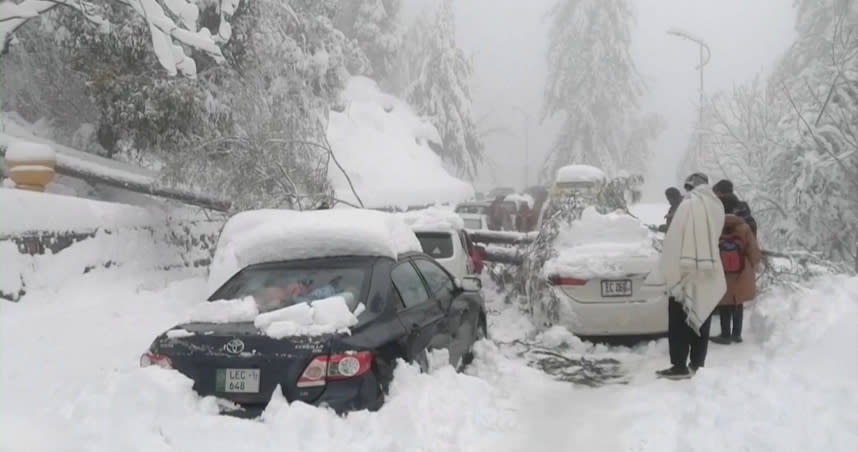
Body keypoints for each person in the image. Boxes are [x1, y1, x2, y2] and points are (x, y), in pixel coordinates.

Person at [644, 172, 727, 380]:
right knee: (703, 315)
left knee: (679, 320)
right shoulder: (717, 206)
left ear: (690, 187)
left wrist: (670, 265)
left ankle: (679, 365)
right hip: (709, 269)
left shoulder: (689, 205)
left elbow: (675, 239)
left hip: (684, 271)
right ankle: (698, 364)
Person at [711, 193, 761, 344]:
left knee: (724, 302)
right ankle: (737, 334)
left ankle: (725, 335)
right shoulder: (744, 227)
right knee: (737, 302)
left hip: (722, 270)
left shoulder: (715, 226)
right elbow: (754, 251)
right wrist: (753, 265)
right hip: (741, 270)